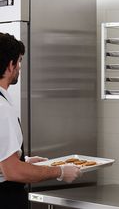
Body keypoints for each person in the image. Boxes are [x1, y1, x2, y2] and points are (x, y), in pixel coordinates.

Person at [0, 32, 82, 209]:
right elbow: (13, 171)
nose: (20, 67)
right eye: (19, 61)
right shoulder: (3, 109)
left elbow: (5, 162)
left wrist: (24, 161)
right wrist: (60, 171)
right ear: (10, 65)